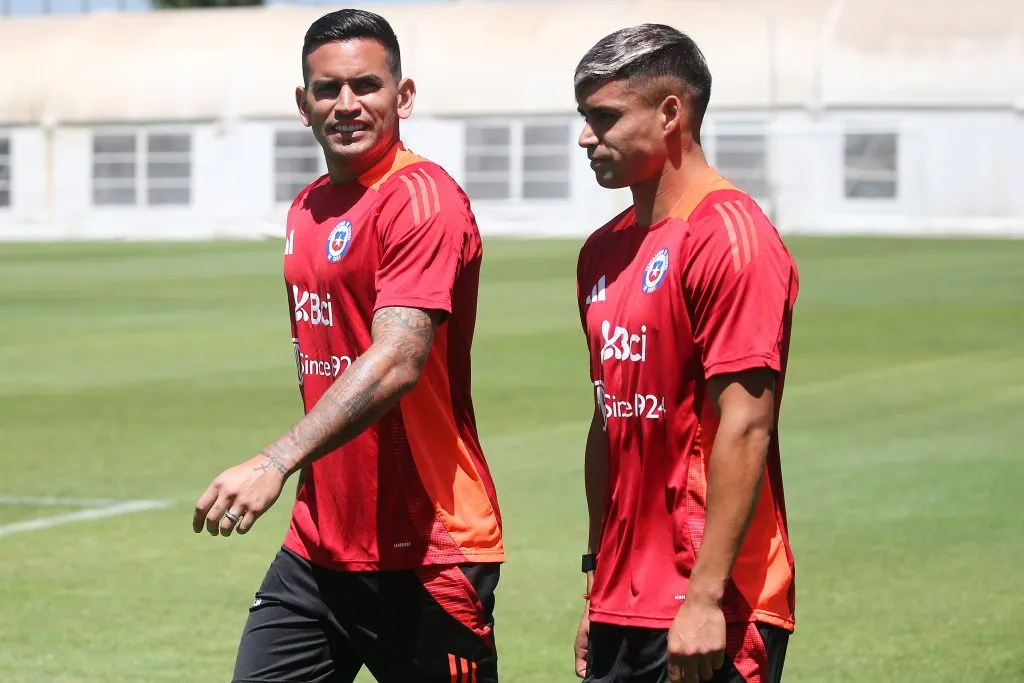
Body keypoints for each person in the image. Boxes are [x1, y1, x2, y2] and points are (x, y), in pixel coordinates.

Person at [191, 9, 504, 683]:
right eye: (328, 89)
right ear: (303, 104)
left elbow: (398, 359)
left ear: (404, 96)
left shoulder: (421, 198)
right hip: (319, 545)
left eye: (367, 85)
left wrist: (275, 460)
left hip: (427, 546)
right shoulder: (306, 207)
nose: (347, 103)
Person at [570, 24, 800, 683]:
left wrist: (704, 600)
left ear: (671, 112)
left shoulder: (729, 235)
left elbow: (746, 423)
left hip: (715, 604)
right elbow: (609, 420)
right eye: (584, 116)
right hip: (621, 600)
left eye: (605, 116)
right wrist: (596, 583)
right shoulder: (601, 250)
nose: (586, 136)